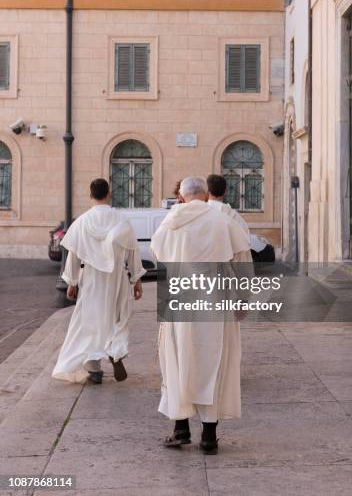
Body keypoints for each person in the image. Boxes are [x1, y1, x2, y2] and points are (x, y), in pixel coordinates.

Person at [151, 176, 252, 455]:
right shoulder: (223, 221)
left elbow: (160, 255)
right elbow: (242, 259)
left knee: (177, 361)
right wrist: (243, 298)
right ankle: (209, 436)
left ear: (181, 197)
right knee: (214, 363)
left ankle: (180, 427)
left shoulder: (170, 223)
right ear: (207, 194)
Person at [52, 178, 145, 385]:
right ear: (108, 193)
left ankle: (93, 369)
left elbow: (74, 255)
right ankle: (115, 351)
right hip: (117, 278)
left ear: (90, 194)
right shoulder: (121, 220)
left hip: (92, 279)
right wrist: (136, 279)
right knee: (117, 318)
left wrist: (72, 282)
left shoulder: (82, 222)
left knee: (89, 322)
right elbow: (132, 251)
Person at [207, 174, 250, 240]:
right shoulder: (234, 216)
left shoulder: (200, 212)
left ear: (208, 191)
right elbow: (245, 239)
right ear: (225, 192)